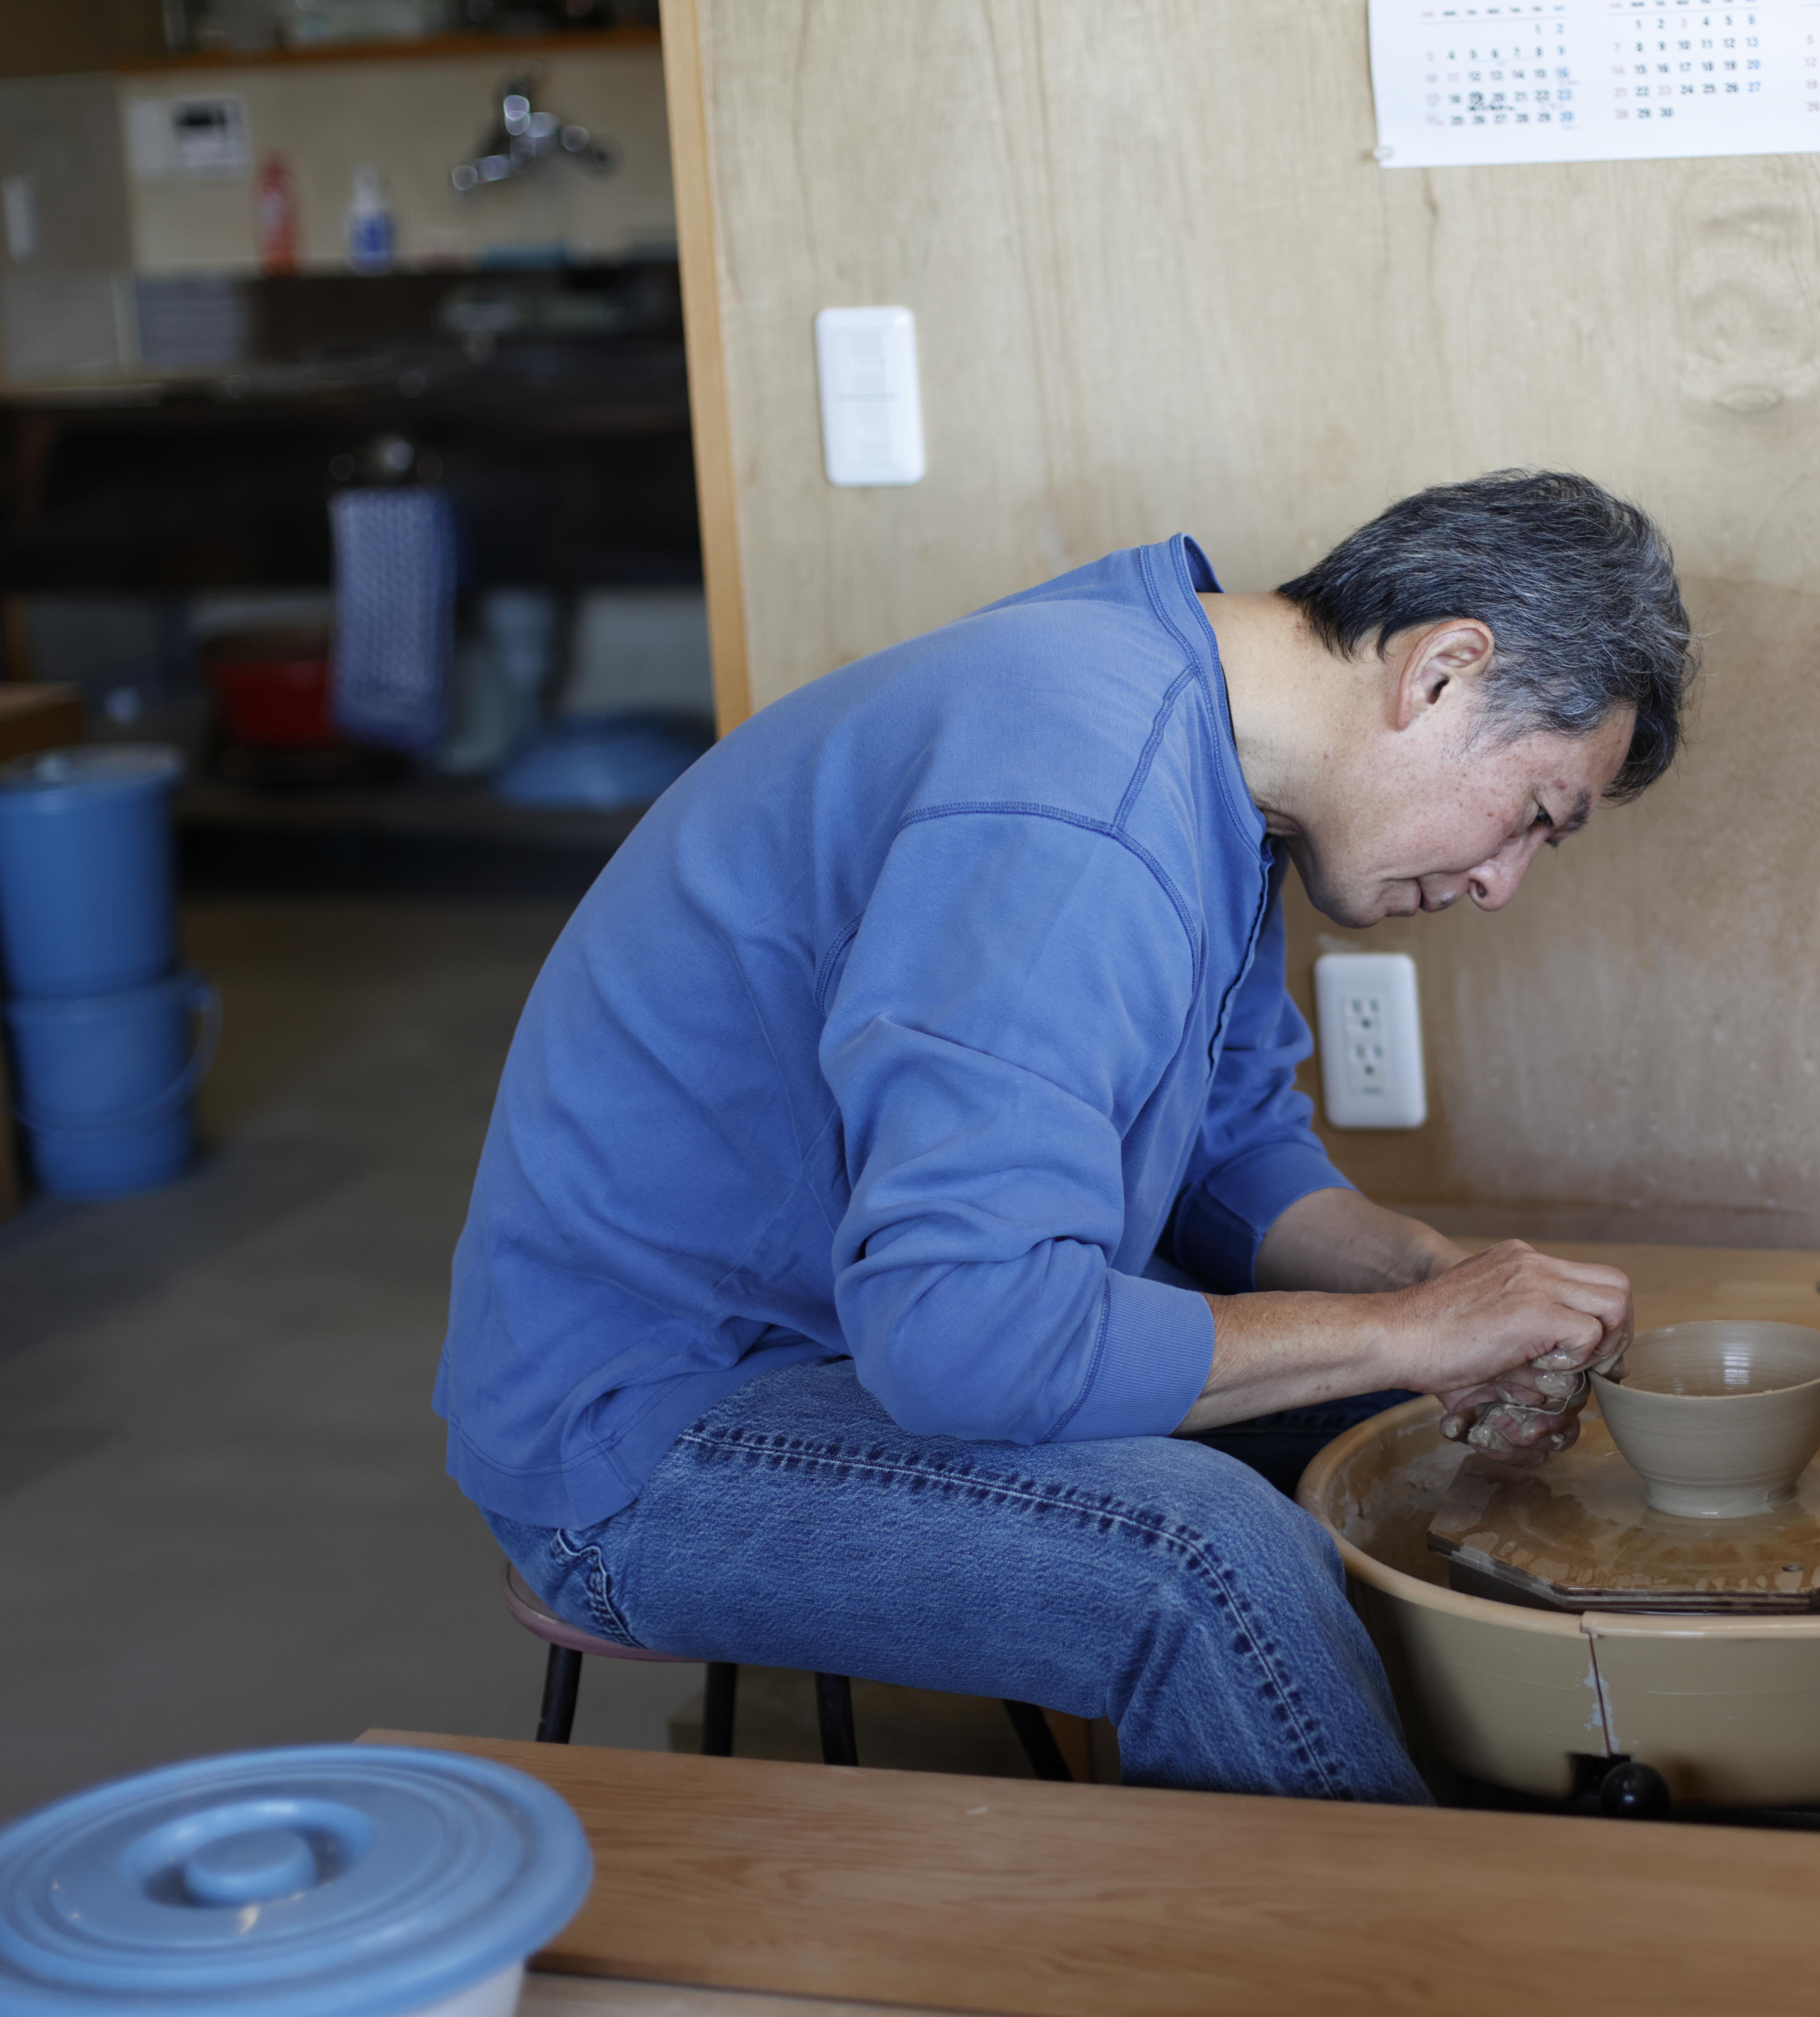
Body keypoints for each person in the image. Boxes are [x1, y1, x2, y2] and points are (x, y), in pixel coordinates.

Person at [437, 470, 1694, 1801]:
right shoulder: (1080, 799)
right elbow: (969, 1336)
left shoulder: (1204, 734)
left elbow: (1225, 1144)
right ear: (1439, 673)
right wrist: (1402, 1332)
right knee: (1202, 1558)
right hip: (650, 1430)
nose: (1501, 882)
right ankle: (1405, 1922)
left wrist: (1434, 1287)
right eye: (1535, 813)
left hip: (861, 1325)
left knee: (1423, 1403)